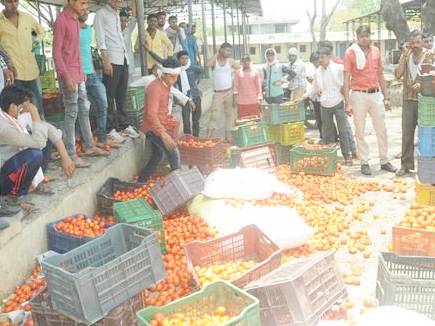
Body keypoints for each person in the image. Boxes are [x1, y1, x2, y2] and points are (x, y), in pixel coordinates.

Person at [53, 0, 109, 168]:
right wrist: (66, 76)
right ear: (71, 2)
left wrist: (82, 73)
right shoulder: (62, 21)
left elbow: (76, 52)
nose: (86, 6)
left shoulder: (76, 21)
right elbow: (56, 52)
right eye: (83, 2)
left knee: (84, 110)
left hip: (79, 74)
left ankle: (90, 146)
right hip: (69, 76)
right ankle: (70, 153)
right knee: (72, 113)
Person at [0, 85, 75, 198]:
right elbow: (38, 143)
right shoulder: (4, 127)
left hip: (12, 168)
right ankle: (15, 196)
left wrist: (65, 157)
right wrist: (33, 111)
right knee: (34, 154)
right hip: (3, 178)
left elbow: (50, 130)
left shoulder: (15, 115)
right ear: (13, 107)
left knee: (45, 137)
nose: (26, 110)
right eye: (24, 107)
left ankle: (34, 182)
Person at [343, 25, 396, 175]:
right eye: (362, 36)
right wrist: (347, 102)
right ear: (357, 37)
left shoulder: (376, 51)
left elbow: (380, 74)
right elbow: (346, 78)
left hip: (375, 94)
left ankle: (384, 160)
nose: (365, 38)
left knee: (382, 128)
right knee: (360, 129)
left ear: (370, 36)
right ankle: (364, 162)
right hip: (358, 94)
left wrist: (387, 97)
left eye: (367, 35)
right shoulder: (350, 52)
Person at [94, 0, 139, 139]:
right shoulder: (101, 14)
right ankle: (110, 128)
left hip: (123, 59)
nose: (119, 1)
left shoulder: (116, 14)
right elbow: (100, 39)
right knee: (109, 96)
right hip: (112, 60)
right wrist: (106, 61)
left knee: (121, 95)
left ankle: (123, 125)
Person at [305, 47, 356, 166]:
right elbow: (315, 88)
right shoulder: (318, 72)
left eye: (322, 57)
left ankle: (347, 156)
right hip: (324, 105)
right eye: (319, 58)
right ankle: (330, 156)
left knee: (343, 131)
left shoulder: (338, 68)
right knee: (327, 132)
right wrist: (304, 96)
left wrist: (347, 95)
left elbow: (348, 79)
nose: (320, 60)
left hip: (338, 103)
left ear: (329, 57)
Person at [79, 13, 120, 150]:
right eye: (82, 6)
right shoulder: (71, 28)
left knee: (103, 103)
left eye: (86, 8)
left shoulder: (88, 30)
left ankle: (101, 138)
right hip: (78, 75)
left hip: (91, 73)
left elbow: (87, 51)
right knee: (83, 109)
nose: (85, 11)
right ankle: (85, 141)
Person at [394, 30, 433, 176]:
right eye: (412, 43)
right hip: (409, 100)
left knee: (426, 134)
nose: (415, 46)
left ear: (423, 41)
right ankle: (406, 165)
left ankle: (426, 166)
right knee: (407, 134)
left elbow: (432, 78)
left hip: (425, 101)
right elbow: (398, 74)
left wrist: (423, 85)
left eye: (417, 42)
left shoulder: (430, 56)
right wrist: (404, 56)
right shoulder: (407, 56)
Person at [138, 58, 182, 182]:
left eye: (177, 76)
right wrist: (163, 134)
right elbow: (151, 115)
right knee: (174, 153)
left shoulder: (165, 84)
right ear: (165, 74)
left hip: (159, 125)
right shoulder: (155, 88)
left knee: (158, 155)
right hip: (153, 128)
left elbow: (161, 110)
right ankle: (178, 184)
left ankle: (141, 181)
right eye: (173, 77)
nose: (176, 80)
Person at [0, 0, 45, 117]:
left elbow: (41, 31)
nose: (14, 4)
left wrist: (36, 41)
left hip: (32, 71)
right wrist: (6, 66)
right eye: (10, 1)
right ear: (3, 2)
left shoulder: (27, 18)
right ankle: (24, 134)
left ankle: (42, 134)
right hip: (15, 75)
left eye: (16, 1)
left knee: (38, 108)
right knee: (19, 113)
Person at [206, 42, 240, 141]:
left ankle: (228, 136)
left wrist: (235, 84)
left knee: (229, 115)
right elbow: (207, 65)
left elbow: (240, 70)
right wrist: (216, 53)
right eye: (226, 50)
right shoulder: (215, 61)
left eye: (230, 51)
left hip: (229, 92)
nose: (228, 52)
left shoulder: (231, 61)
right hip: (218, 94)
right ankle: (209, 137)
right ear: (221, 49)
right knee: (214, 116)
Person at [176, 51, 204, 136]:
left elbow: (202, 70)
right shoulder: (176, 71)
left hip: (195, 96)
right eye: (182, 58)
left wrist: (196, 80)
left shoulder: (192, 68)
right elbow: (174, 86)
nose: (184, 60)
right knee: (186, 121)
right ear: (178, 60)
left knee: (196, 120)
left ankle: (196, 139)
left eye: (186, 58)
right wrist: (177, 99)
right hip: (185, 99)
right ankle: (188, 140)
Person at [234, 55, 262, 119]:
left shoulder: (255, 72)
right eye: (244, 61)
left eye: (248, 60)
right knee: (243, 121)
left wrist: (259, 99)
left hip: (254, 101)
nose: (246, 62)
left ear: (250, 62)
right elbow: (235, 87)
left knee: (255, 121)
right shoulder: (238, 73)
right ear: (241, 63)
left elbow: (259, 87)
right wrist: (235, 100)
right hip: (241, 102)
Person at [305, 51, 323, 138]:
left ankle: (329, 139)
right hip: (315, 99)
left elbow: (319, 86)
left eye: (315, 62)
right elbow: (315, 86)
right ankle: (322, 137)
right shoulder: (316, 70)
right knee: (319, 120)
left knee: (324, 121)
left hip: (323, 100)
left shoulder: (323, 70)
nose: (314, 64)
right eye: (313, 63)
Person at [120, 2, 136, 80]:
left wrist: (134, 3)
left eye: (125, 21)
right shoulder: (114, 31)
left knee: (129, 84)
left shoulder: (128, 30)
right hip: (118, 62)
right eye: (121, 20)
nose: (123, 23)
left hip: (129, 61)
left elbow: (133, 17)